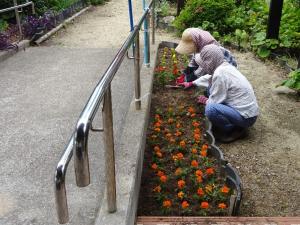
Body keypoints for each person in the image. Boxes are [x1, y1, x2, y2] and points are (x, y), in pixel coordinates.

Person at [190, 44, 259, 143]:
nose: (204, 66)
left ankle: (234, 129)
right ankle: (236, 124)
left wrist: (206, 101)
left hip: (246, 117)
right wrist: (192, 83)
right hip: (249, 112)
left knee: (211, 109)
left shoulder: (220, 73)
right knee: (210, 90)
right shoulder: (224, 66)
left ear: (210, 61)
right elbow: (209, 78)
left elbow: (215, 100)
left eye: (205, 62)